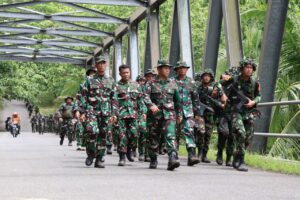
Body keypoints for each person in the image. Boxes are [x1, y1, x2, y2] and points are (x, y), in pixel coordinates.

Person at [221, 59, 261, 172]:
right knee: (241, 133)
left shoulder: (254, 82)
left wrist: (253, 102)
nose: (249, 69)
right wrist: (223, 95)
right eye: (247, 67)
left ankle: (237, 156)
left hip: (248, 112)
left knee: (248, 137)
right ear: (242, 68)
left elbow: (259, 96)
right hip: (235, 111)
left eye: (251, 67)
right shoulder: (234, 79)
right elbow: (219, 84)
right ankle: (241, 161)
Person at [144, 59, 182, 171]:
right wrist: (151, 105)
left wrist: (179, 114)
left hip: (169, 114)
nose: (167, 70)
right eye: (165, 68)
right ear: (159, 69)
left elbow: (178, 101)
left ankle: (172, 159)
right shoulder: (150, 83)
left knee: (171, 135)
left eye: (168, 68)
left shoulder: (173, 83)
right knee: (153, 138)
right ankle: (153, 159)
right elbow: (145, 96)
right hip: (154, 116)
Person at [81, 56, 118, 168]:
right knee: (91, 131)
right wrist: (82, 112)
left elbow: (114, 98)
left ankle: (100, 158)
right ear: (96, 66)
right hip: (92, 110)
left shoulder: (111, 81)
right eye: (99, 63)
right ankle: (91, 153)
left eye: (103, 63)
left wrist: (114, 114)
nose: (101, 65)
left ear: (106, 65)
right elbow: (83, 96)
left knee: (103, 135)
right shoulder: (89, 80)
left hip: (106, 112)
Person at [115, 65, 147, 166]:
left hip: (134, 114)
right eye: (123, 73)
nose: (126, 74)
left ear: (130, 73)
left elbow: (141, 100)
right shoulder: (116, 86)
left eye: (127, 72)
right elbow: (114, 101)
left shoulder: (136, 85)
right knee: (122, 135)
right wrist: (114, 114)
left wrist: (144, 112)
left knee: (134, 134)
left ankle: (129, 149)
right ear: (120, 73)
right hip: (121, 115)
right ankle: (122, 157)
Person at [173, 61, 201, 166]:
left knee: (189, 132)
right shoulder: (172, 81)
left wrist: (197, 113)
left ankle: (192, 156)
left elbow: (195, 98)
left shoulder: (191, 82)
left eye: (184, 68)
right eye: (180, 68)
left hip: (188, 111)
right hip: (175, 112)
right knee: (174, 133)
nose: (182, 70)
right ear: (176, 70)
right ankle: (174, 156)